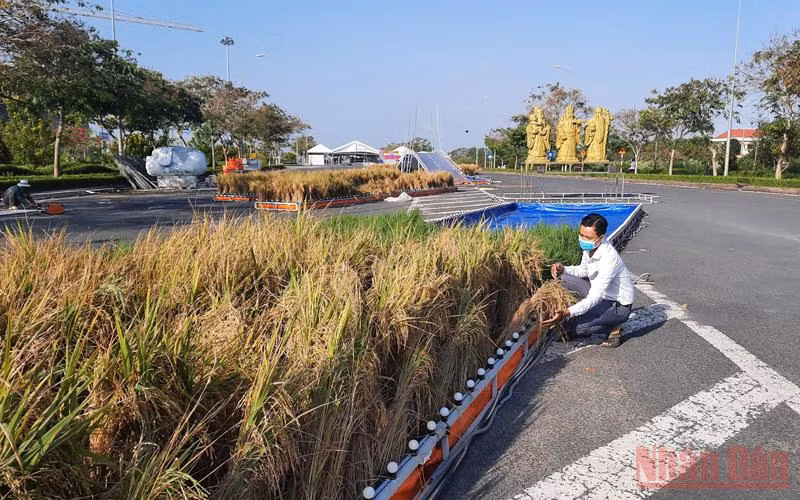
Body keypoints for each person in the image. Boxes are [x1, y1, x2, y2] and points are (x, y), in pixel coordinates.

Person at [545, 213, 635, 347]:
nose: (583, 240)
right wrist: (563, 269)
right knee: (562, 278)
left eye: (588, 237)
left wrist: (567, 312)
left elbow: (595, 297)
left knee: (576, 328)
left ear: (601, 238)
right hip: (602, 296)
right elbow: (584, 270)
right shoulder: (590, 248)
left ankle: (614, 326)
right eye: (581, 235)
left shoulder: (608, 259)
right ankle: (588, 316)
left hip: (617, 305)